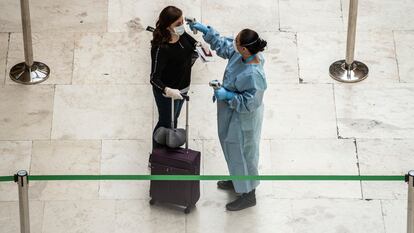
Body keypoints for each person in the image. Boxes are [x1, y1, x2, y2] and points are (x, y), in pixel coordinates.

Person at [189, 22, 267, 211]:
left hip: (243, 118)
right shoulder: (242, 54)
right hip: (230, 112)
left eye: (237, 41)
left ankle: (249, 194)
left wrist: (228, 95)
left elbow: (250, 102)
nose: (233, 43)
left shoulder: (254, 74)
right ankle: (238, 179)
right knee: (232, 149)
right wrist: (207, 32)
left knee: (244, 152)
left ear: (244, 49)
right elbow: (224, 46)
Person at [150, 6, 198, 149]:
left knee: (174, 120)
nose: (182, 25)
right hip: (167, 93)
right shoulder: (161, 48)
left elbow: (192, 43)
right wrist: (167, 90)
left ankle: (170, 151)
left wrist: (200, 47)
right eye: (178, 24)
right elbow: (153, 78)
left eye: (182, 21)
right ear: (167, 26)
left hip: (183, 88)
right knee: (165, 122)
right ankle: (157, 156)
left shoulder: (182, 35)